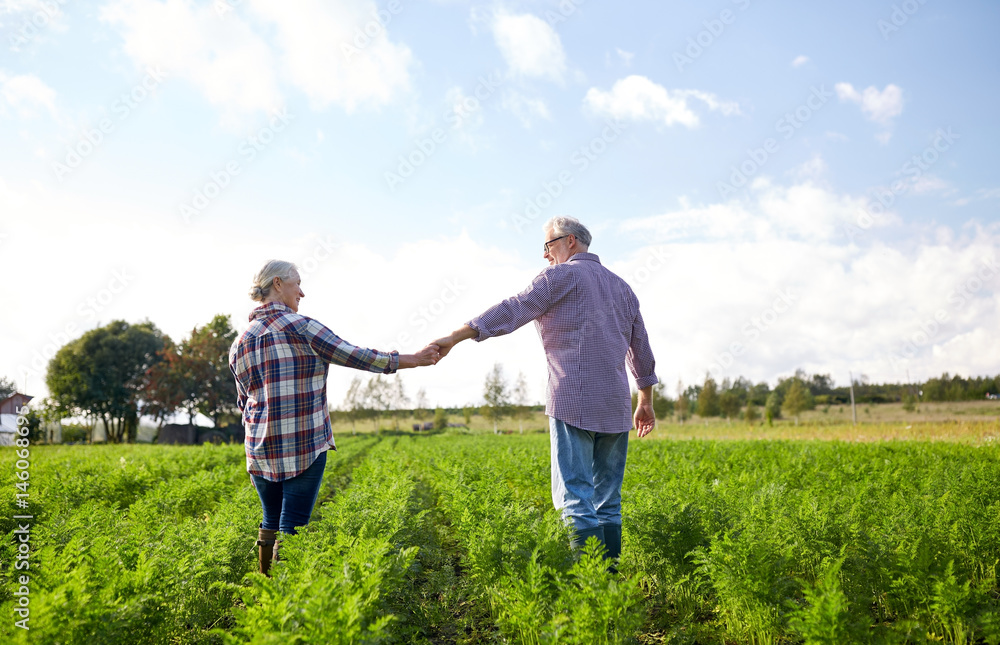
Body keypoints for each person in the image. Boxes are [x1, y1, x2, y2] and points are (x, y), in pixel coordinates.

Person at [431, 217, 657, 570]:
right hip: (615, 403)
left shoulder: (561, 277)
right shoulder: (623, 287)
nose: (545, 255)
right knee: (608, 501)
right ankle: (610, 582)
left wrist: (457, 336)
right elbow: (640, 348)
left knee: (576, 498)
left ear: (569, 243)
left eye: (548, 246)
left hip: (572, 399)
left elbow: (513, 308)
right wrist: (644, 401)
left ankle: (589, 584)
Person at [229, 259, 440, 576]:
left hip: (259, 449)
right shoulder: (302, 327)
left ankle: (265, 596)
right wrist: (413, 360)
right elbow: (356, 356)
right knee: (293, 527)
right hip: (304, 443)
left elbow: (244, 402)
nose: (302, 292)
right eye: (297, 283)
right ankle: (285, 599)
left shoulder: (240, 343)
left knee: (270, 519)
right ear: (277, 284)